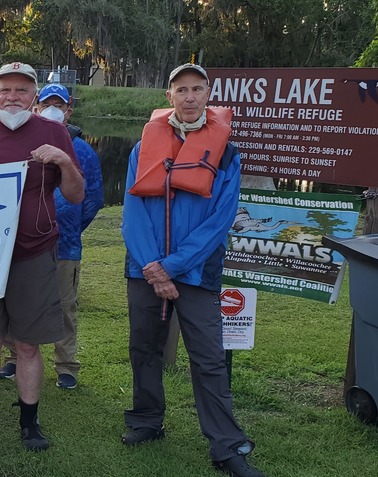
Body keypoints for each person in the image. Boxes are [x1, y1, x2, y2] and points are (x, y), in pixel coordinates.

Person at [121, 63, 263, 477]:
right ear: (169, 97)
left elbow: (220, 220)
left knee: (208, 357)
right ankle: (146, 420)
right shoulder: (141, 147)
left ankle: (226, 445)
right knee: (144, 347)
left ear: (208, 95)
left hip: (197, 272)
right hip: (144, 269)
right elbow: (132, 215)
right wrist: (152, 267)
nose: (188, 97)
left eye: (196, 89)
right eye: (180, 89)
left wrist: (172, 267)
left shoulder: (228, 152)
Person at [0, 62, 84, 452]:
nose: (13, 97)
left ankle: (30, 423)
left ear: (34, 96)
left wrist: (61, 161)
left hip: (34, 253)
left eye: (22, 90)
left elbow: (76, 195)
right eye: (6, 89)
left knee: (29, 345)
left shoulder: (54, 131)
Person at [0, 83, 104, 390]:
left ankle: (66, 364)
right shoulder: (21, 142)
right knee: (13, 300)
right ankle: (14, 356)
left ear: (69, 110)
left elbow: (93, 198)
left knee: (64, 305)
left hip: (65, 243)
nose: (52, 109)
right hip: (21, 241)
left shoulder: (82, 150)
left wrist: (67, 227)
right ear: (36, 106)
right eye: (46, 103)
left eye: (59, 104)